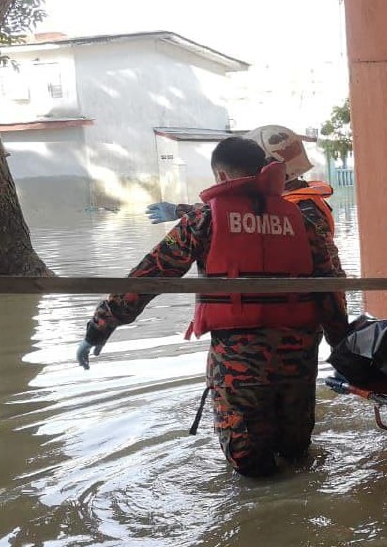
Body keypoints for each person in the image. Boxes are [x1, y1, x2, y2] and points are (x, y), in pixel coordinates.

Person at [77, 137, 349, 478]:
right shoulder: (304, 220)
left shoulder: (203, 220)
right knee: (296, 451)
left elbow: (150, 274)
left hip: (240, 356)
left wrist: (99, 327)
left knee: (249, 461)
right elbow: (332, 288)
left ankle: (259, 519)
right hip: (299, 353)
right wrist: (343, 350)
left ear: (221, 176)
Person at [146, 125, 337, 238]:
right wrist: (181, 210)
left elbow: (226, 215)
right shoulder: (306, 203)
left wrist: (181, 213)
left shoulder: (294, 210)